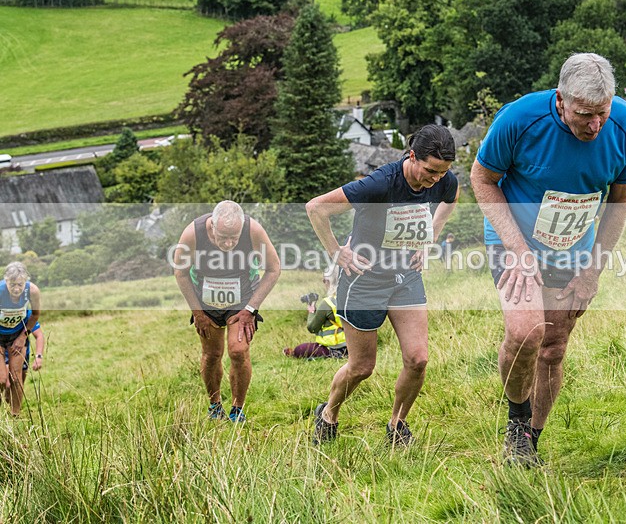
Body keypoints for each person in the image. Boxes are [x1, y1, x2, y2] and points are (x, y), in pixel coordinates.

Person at [470, 53, 626, 466]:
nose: (595, 125)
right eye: (584, 114)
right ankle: (516, 421)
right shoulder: (519, 119)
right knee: (525, 333)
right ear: (561, 99)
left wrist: (592, 271)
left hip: (574, 248)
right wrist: (518, 251)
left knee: (553, 347)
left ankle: (529, 441)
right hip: (513, 237)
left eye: (602, 113)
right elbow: (482, 179)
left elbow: (621, 201)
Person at [306, 124, 459, 446]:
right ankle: (328, 414)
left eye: (442, 173)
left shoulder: (444, 180)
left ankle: (396, 426)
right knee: (362, 367)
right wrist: (337, 253)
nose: (435, 179)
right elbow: (316, 208)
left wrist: (428, 237)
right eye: (430, 171)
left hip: (405, 278)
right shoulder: (379, 184)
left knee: (418, 360)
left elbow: (450, 198)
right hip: (364, 282)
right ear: (412, 156)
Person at [173, 201, 281, 423]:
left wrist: (251, 309)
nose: (229, 243)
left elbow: (273, 268)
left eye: (234, 237)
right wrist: (198, 313)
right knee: (212, 355)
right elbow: (181, 272)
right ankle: (215, 406)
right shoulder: (193, 233)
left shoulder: (253, 230)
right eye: (223, 237)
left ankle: (237, 410)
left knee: (238, 351)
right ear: (212, 226)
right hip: (205, 301)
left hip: (241, 300)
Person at [0, 262, 42, 417]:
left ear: (26, 282)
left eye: (20, 284)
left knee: (16, 378)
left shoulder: (32, 291)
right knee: (2, 379)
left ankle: (14, 415)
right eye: (12, 285)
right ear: (6, 281)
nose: (16, 289)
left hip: (17, 335)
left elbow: (35, 314)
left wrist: (23, 336)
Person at [284, 266, 348, 360]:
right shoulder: (350, 298)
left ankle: (333, 355)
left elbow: (312, 328)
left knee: (300, 349)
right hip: (354, 346)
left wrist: (311, 310)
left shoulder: (328, 303)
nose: (323, 283)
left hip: (335, 347)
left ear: (330, 281)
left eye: (324, 280)